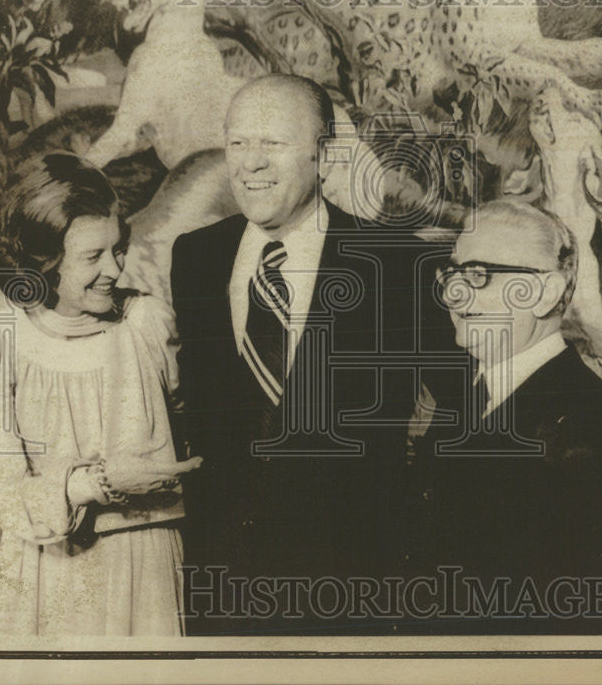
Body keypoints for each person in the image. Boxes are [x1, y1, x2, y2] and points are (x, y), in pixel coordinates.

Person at [170, 74, 453, 633]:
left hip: (353, 585)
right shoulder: (196, 257)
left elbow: (461, 401)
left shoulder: (396, 264)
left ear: (325, 158)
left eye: (271, 144)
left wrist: (413, 524)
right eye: (237, 143)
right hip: (221, 583)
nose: (249, 164)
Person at [0, 153, 202, 636]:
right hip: (47, 567)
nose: (114, 270)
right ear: (42, 260)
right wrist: (100, 484)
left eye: (117, 249)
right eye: (92, 257)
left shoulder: (149, 323)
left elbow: (193, 425)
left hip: (147, 559)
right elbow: (2, 488)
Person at [410, 199, 602, 633]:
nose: (455, 293)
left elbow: (590, 620)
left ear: (545, 292)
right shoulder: (467, 396)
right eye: (453, 274)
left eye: (480, 276)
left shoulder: (598, 426)